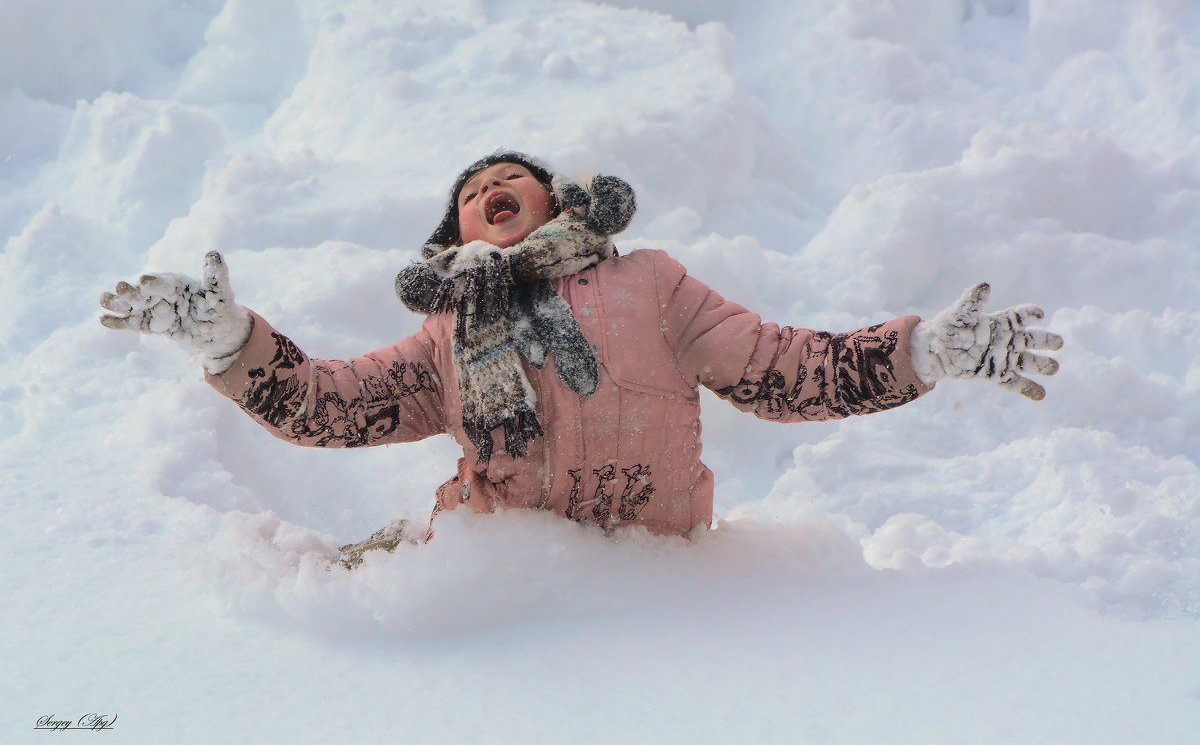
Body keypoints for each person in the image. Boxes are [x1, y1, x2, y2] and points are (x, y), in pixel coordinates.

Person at [99, 151, 1063, 566]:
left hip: (658, 580)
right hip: (497, 571)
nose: (490, 188)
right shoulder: (447, 335)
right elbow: (333, 407)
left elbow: (783, 368)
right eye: (472, 192)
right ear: (457, 237)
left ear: (557, 201)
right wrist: (227, 342)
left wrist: (926, 352)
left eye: (508, 176)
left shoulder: (654, 286)